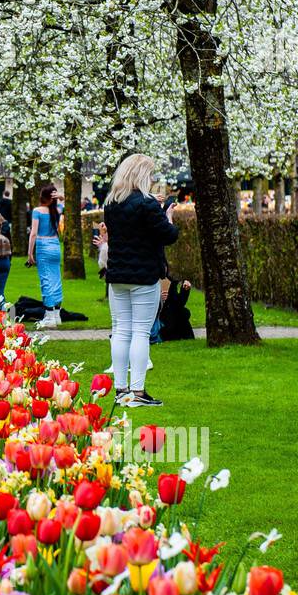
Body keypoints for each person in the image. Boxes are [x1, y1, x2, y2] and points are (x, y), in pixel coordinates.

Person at [104, 154, 178, 408]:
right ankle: (137, 391)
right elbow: (168, 235)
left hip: (117, 275)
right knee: (140, 332)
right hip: (144, 275)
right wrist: (167, 215)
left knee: (121, 330)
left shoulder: (111, 203)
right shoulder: (146, 204)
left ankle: (120, 389)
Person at [28, 183, 65, 328]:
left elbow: (33, 233)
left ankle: (49, 316)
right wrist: (61, 197)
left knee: (46, 280)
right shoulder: (57, 209)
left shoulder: (37, 211)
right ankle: (57, 315)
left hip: (43, 247)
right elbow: (64, 203)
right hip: (55, 246)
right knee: (56, 279)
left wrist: (30, 253)